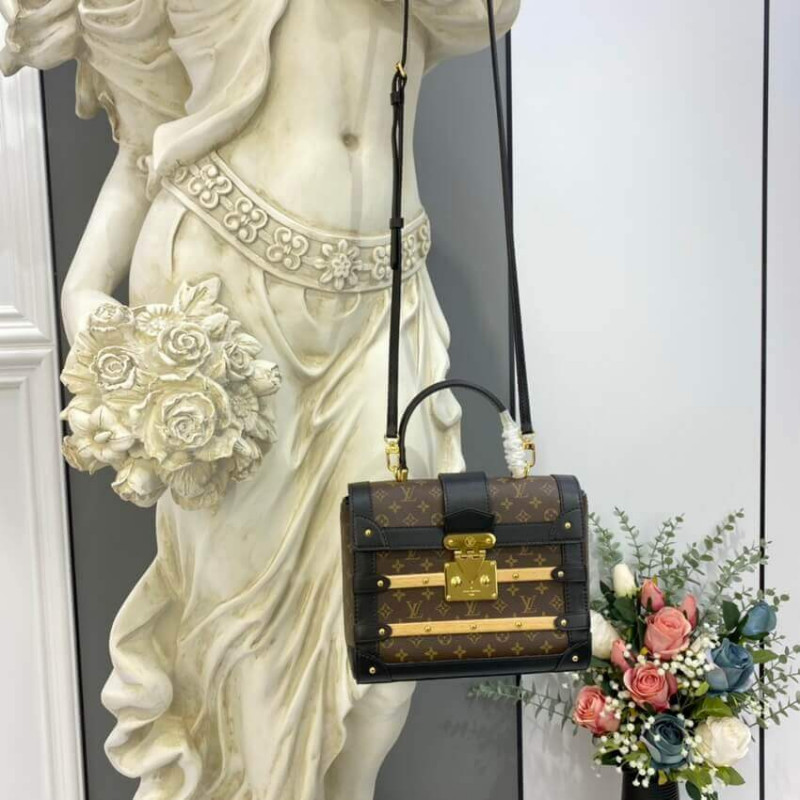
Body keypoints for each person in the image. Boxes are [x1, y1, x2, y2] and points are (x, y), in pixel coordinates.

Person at [1, 1, 519, 797]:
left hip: (383, 304)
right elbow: (150, 133)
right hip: (228, 290)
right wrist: (83, 285)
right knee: (247, 632)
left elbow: (488, 14)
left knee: (391, 639)